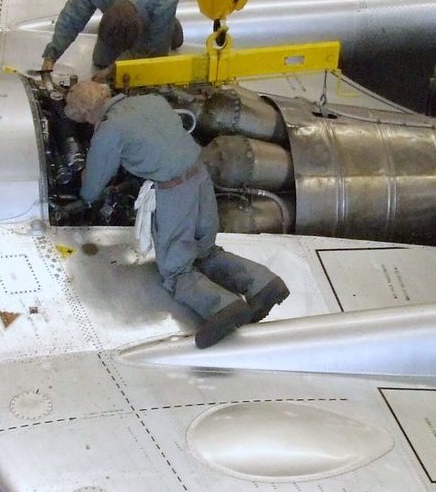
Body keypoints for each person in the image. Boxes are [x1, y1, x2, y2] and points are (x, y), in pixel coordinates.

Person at [66, 79, 287, 348]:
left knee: (175, 270)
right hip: (201, 177)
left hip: (174, 191)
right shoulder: (151, 100)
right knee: (205, 251)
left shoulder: (109, 129)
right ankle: (263, 285)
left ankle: (223, 308)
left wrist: (82, 196)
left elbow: (93, 188)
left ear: (87, 113)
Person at [39, 0, 186, 81]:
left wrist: (113, 71)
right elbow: (72, 17)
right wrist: (52, 54)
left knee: (151, 65)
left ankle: (172, 28)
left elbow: (154, 52)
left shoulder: (163, 4)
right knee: (101, 61)